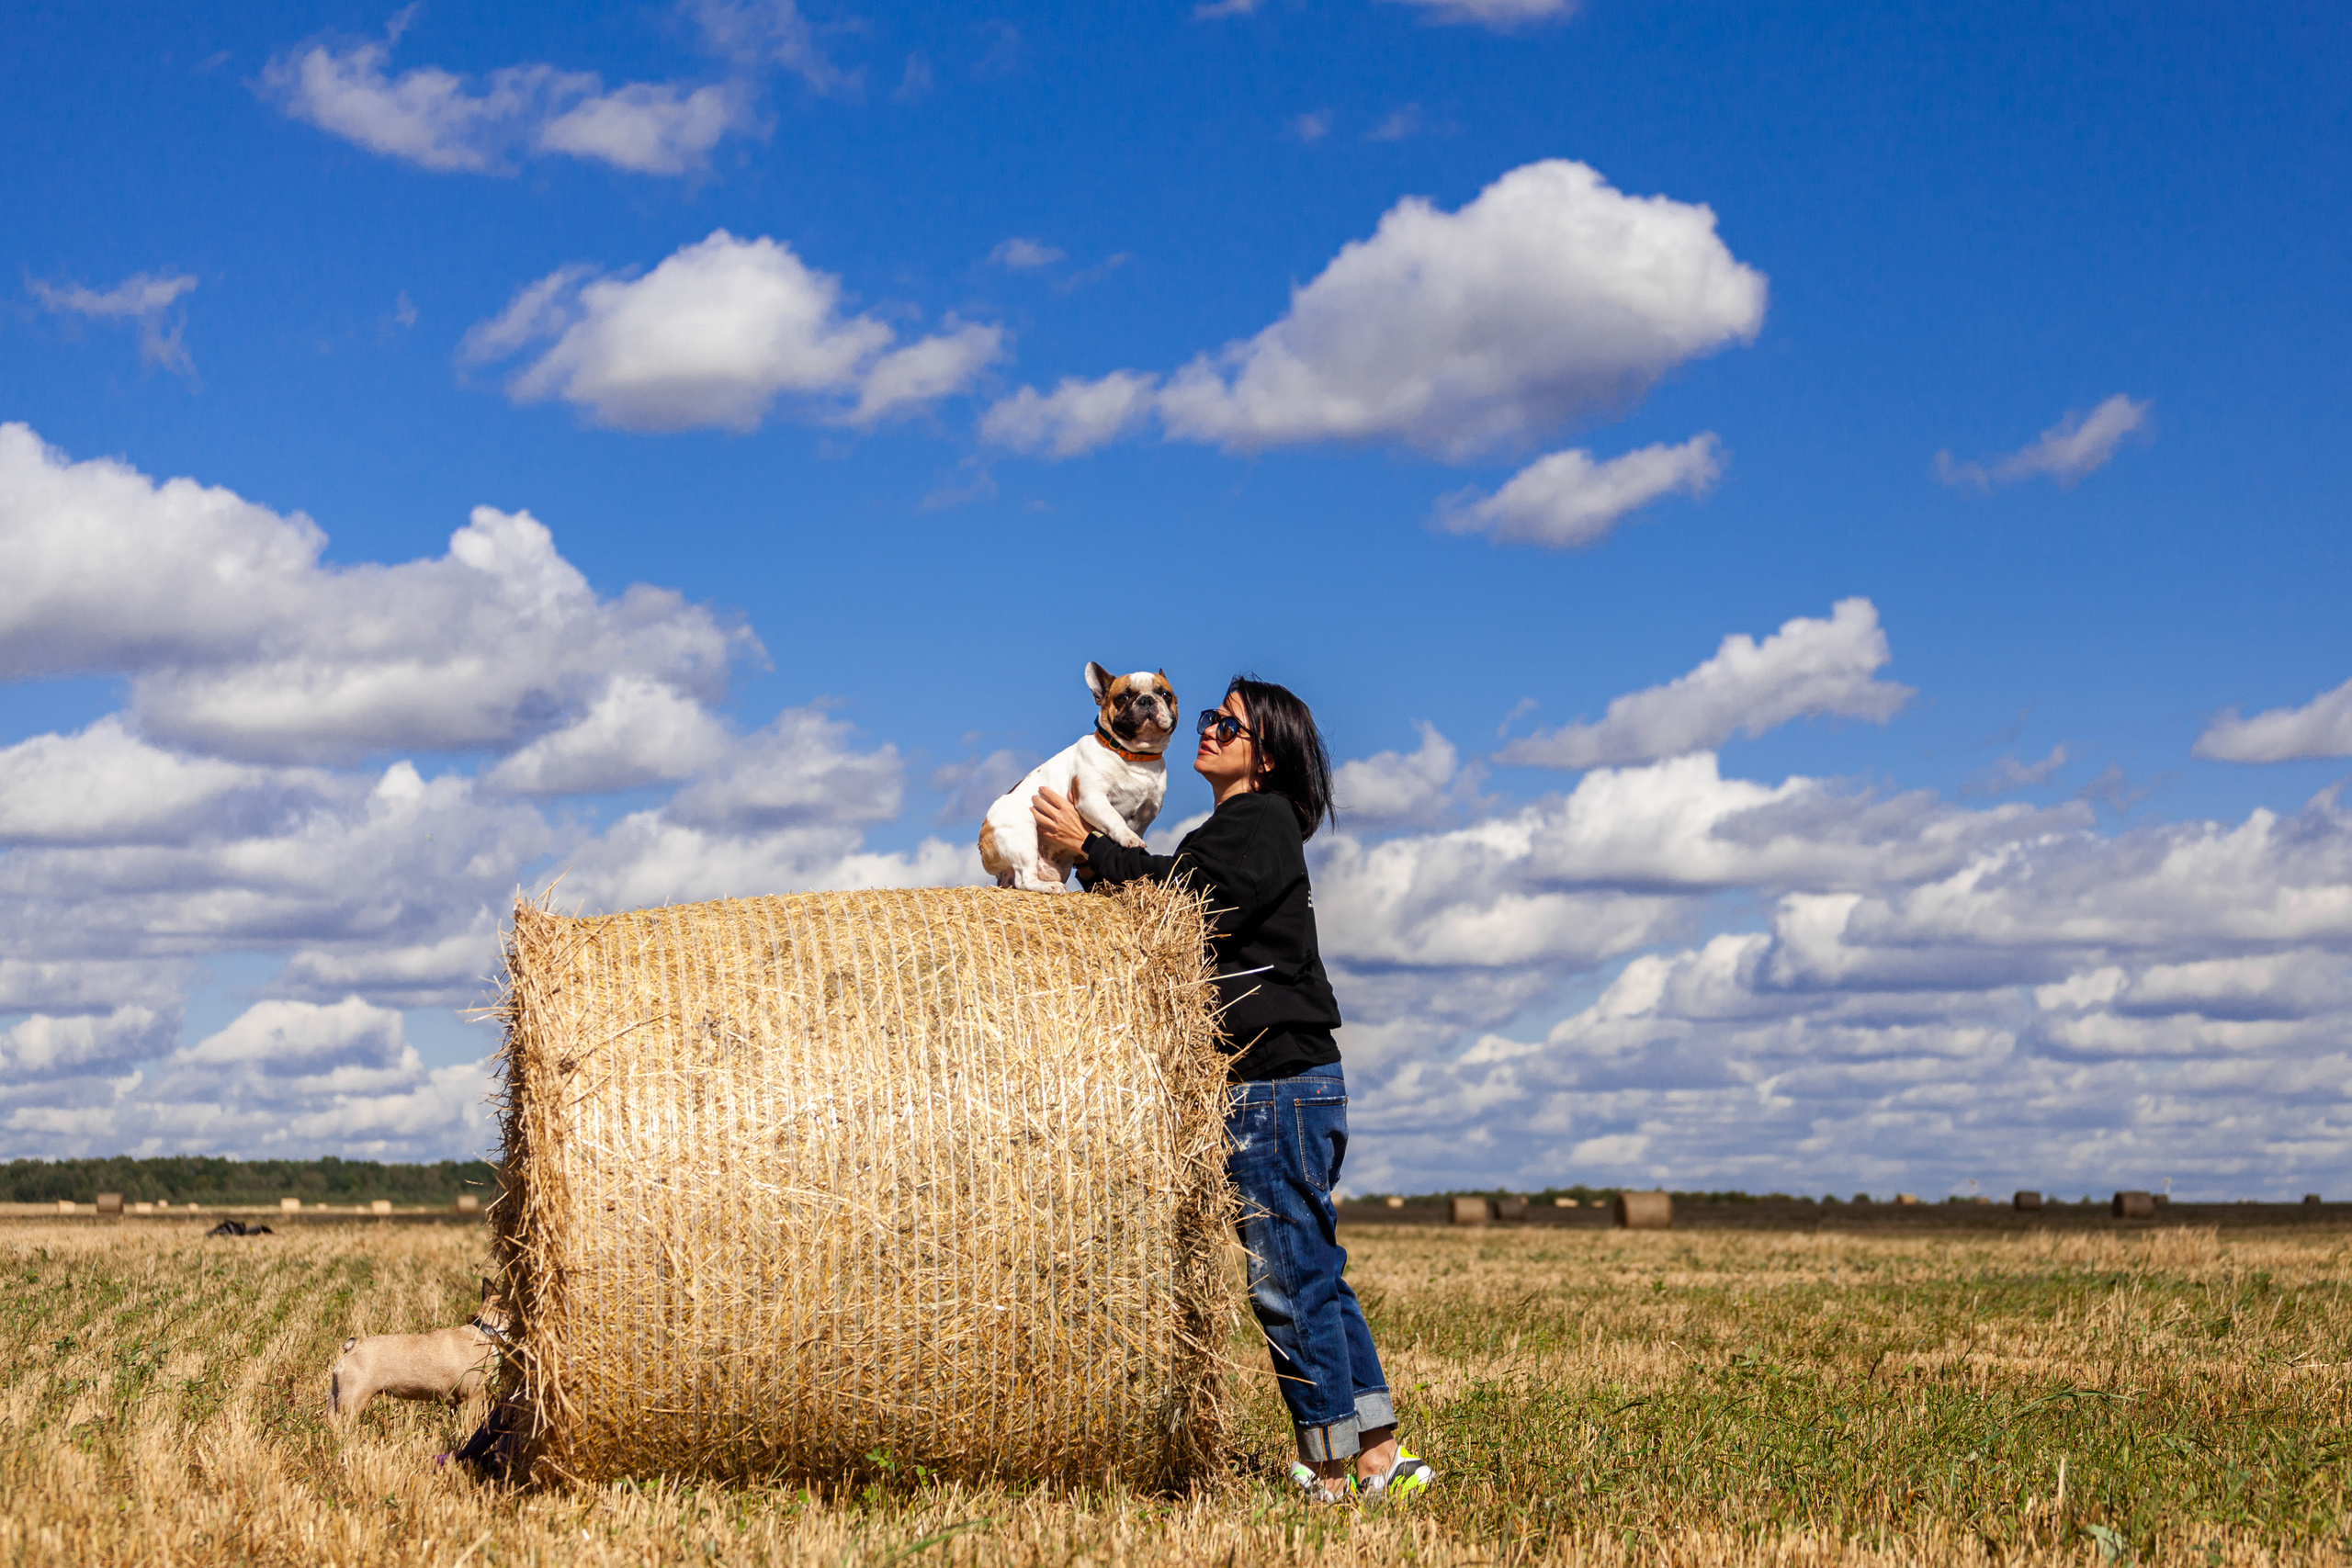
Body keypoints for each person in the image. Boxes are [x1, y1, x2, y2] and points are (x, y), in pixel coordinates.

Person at [1030, 675, 1436, 1505]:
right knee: (1316, 1269)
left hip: (1275, 1084)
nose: (1205, 728)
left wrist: (1085, 849)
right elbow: (1179, 886)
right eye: (1209, 717)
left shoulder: (1258, 821)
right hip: (1297, 1080)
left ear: (1269, 754)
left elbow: (1177, 899)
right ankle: (1377, 1456)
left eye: (1227, 722)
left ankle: (1327, 1470)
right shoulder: (1245, 826)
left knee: (1285, 1281)